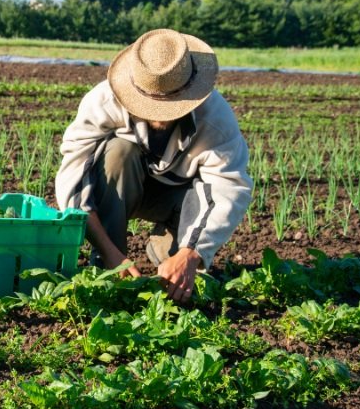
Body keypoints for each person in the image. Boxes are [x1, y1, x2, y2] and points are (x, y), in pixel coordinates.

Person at [55, 28, 252, 304]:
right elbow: (73, 181)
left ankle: (168, 247)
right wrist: (112, 255)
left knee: (178, 276)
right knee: (117, 152)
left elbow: (228, 188)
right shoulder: (103, 101)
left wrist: (191, 253)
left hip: (177, 199)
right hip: (123, 187)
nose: (159, 116)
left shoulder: (215, 119)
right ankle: (107, 264)